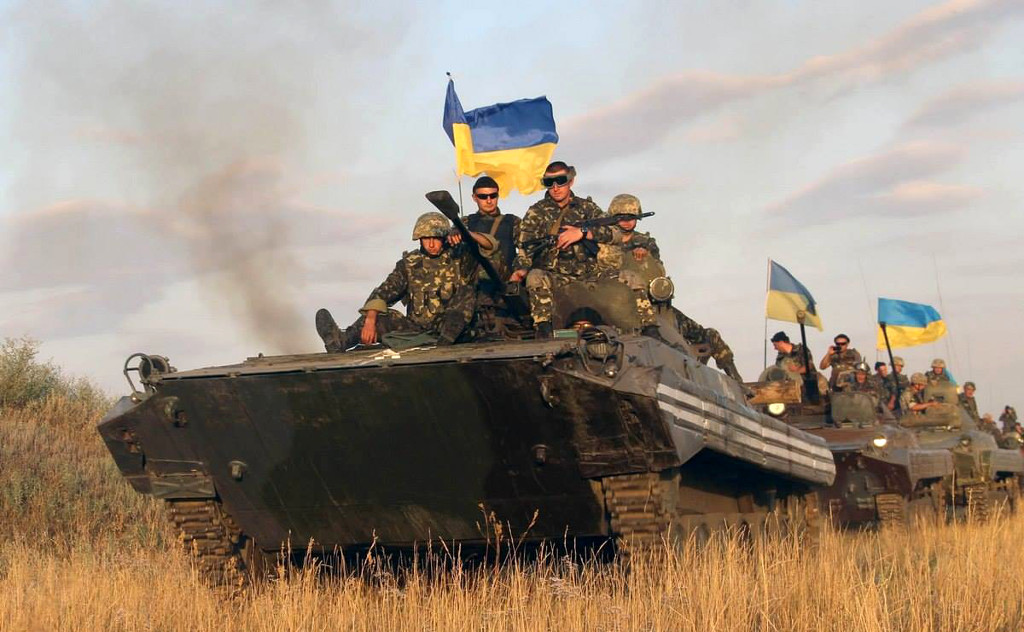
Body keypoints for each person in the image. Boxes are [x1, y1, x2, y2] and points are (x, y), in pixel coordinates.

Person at [315, 212, 497, 352]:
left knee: (466, 291)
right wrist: (370, 320)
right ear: (420, 239)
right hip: (417, 328)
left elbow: (490, 246)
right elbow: (383, 292)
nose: (431, 244)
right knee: (381, 316)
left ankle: (446, 340)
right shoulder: (410, 264)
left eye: (436, 238)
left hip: (452, 329)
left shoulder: (460, 256)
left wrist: (466, 234)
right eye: (426, 239)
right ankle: (340, 341)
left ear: (444, 238)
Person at [512, 162, 615, 338]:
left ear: (570, 181)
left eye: (560, 181)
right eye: (549, 183)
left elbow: (612, 232)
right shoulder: (537, 212)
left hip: (591, 275)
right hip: (556, 276)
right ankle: (543, 328)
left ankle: (649, 329)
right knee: (535, 276)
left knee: (629, 279)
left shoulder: (587, 208)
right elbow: (525, 247)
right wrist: (521, 269)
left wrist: (582, 232)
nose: (555, 188)